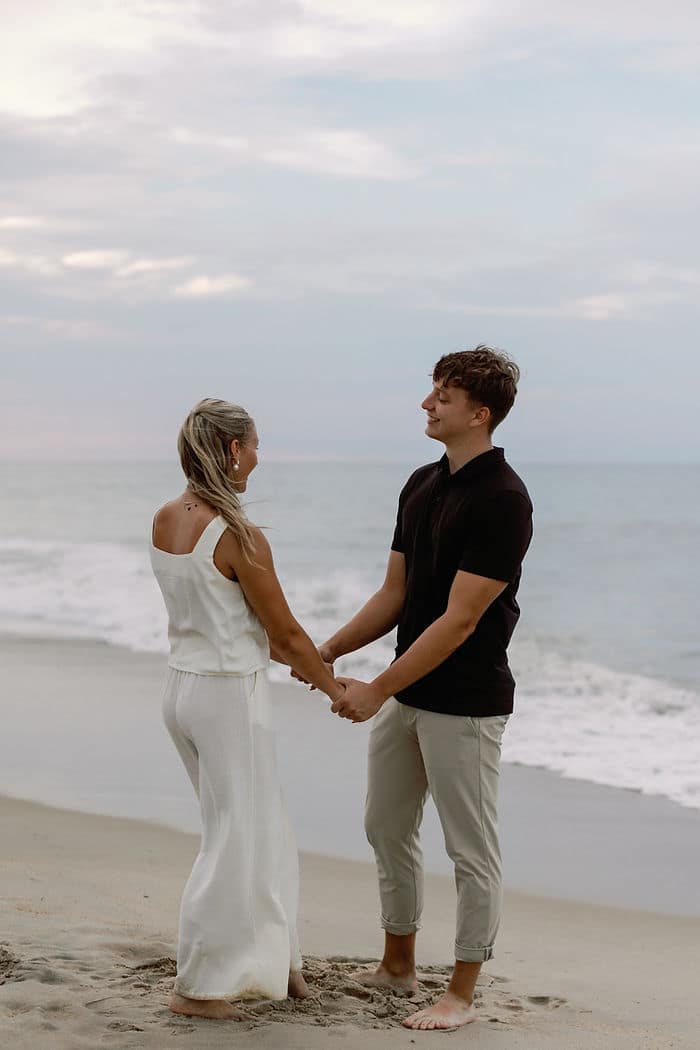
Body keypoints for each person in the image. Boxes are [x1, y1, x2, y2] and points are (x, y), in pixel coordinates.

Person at [316, 347, 533, 1032]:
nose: (427, 403)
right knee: (385, 827)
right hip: (409, 694)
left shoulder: (504, 499)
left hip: (465, 703)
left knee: (470, 849)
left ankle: (461, 992)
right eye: (431, 390)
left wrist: (377, 686)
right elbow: (396, 595)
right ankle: (398, 966)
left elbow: (461, 619)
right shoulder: (421, 482)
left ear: (480, 412)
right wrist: (325, 649)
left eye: (443, 394)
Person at [149, 397, 345, 1021]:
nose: (259, 456)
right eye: (255, 445)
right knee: (234, 840)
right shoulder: (238, 535)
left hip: (182, 687)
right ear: (234, 450)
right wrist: (338, 690)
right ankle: (199, 988)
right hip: (228, 693)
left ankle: (278, 961)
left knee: (259, 827)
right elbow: (284, 636)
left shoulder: (164, 518)